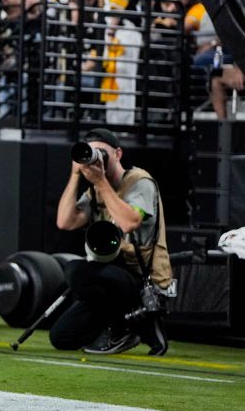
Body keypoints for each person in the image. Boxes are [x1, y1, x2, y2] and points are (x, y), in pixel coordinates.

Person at [52, 128, 171, 356]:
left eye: (102, 153)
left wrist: (101, 181)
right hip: (110, 277)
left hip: (142, 278)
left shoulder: (140, 181)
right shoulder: (95, 190)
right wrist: (75, 175)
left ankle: (129, 327)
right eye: (92, 153)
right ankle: (122, 323)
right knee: (62, 337)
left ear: (117, 153)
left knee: (77, 271)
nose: (97, 158)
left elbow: (129, 222)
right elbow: (65, 222)